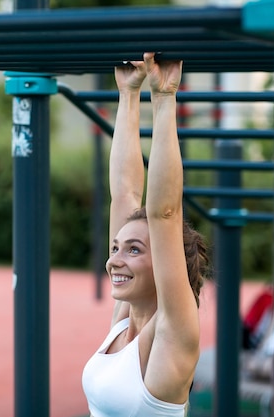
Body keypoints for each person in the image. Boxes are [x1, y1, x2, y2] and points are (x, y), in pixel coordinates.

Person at [81, 53, 210, 416]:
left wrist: (164, 98)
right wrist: (127, 94)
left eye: (133, 250)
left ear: (167, 264)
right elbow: (123, 192)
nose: (114, 260)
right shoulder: (125, 318)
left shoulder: (174, 330)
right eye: (116, 247)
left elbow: (165, 213)